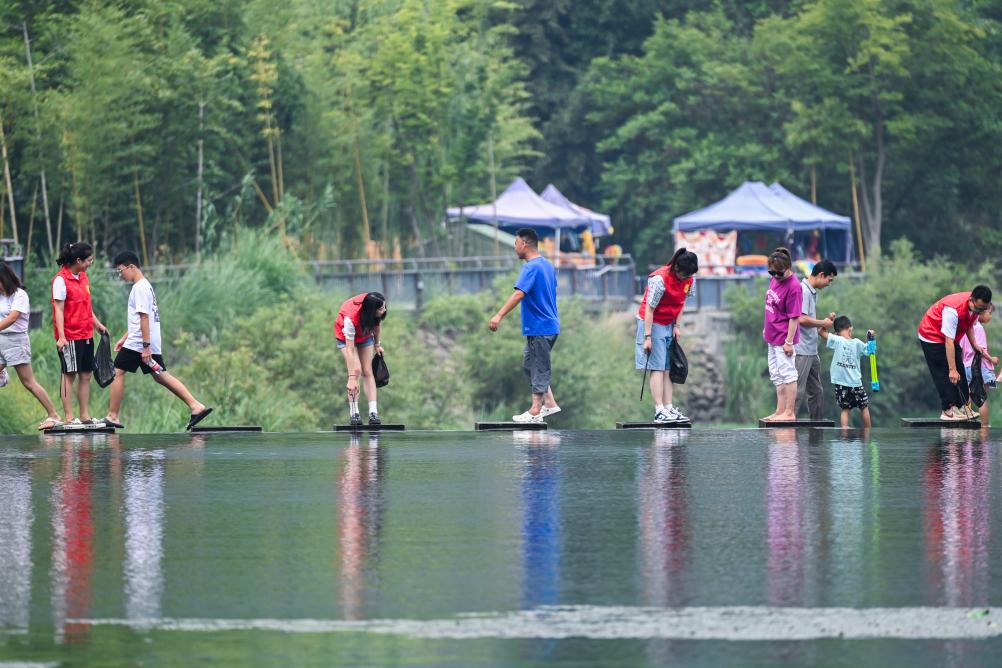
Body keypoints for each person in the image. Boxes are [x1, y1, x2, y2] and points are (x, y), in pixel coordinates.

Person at [103, 251, 212, 430]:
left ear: (132, 267)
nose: (120, 275)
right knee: (160, 375)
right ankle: (195, 405)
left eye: (120, 270)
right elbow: (139, 320)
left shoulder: (139, 288)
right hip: (143, 340)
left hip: (140, 343)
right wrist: (124, 338)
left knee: (118, 371)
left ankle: (113, 416)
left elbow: (144, 318)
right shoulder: (145, 286)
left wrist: (145, 347)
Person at [489, 228, 561, 423]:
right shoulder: (547, 265)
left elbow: (519, 293)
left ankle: (536, 410)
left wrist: (498, 315)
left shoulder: (531, 267)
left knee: (539, 366)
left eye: (515, 244)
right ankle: (550, 404)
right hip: (545, 325)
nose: (515, 248)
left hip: (541, 326)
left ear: (524, 244)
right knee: (529, 365)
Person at [635, 247, 698, 423]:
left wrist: (677, 325)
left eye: (689, 276)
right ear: (676, 269)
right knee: (657, 367)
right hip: (652, 322)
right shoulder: (659, 279)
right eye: (684, 275)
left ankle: (669, 408)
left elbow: (682, 301)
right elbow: (649, 308)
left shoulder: (689, 279)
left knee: (668, 367)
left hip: (669, 323)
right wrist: (647, 337)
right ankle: (659, 410)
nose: (687, 279)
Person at [51, 242, 109, 425]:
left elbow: (86, 306)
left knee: (86, 375)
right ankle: (69, 417)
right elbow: (58, 310)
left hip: (86, 334)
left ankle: (84, 416)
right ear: (78, 260)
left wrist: (97, 324)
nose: (91, 263)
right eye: (89, 260)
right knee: (69, 375)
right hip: (70, 336)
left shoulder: (83, 277)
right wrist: (61, 337)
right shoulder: (61, 280)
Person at [0, 262, 63, 430]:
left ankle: (54, 415)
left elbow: (12, 318)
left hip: (15, 341)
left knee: (28, 382)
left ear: (4, 279)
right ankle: (2, 375)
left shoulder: (20, 295)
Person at [917, 286, 992, 421]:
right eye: (978, 308)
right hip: (931, 335)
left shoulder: (975, 308)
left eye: (983, 309)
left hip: (949, 338)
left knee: (960, 368)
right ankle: (947, 409)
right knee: (945, 372)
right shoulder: (953, 310)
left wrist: (975, 345)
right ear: (971, 300)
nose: (980, 312)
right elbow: (949, 341)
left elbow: (968, 325)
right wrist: (952, 369)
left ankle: (961, 406)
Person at [334, 292, 387, 426]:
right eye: (381, 309)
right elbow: (350, 349)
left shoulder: (375, 309)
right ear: (371, 310)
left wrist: (377, 345)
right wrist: (352, 377)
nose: (384, 310)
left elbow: (376, 326)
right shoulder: (350, 319)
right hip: (345, 337)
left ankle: (373, 413)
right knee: (356, 371)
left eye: (384, 307)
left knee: (367, 371)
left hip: (364, 334)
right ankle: (354, 413)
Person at [761, 247, 802, 422]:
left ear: (788, 267)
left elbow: (794, 318)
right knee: (776, 375)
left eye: (779, 273)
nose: (775, 276)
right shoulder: (774, 279)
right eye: (772, 272)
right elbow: (771, 306)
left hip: (784, 338)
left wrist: (789, 342)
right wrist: (767, 328)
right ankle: (780, 410)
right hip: (772, 335)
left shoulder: (794, 287)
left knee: (788, 374)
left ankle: (789, 412)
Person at [794, 260, 838, 420]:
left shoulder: (811, 292)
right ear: (821, 275)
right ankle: (787, 425)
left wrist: (824, 322)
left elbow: (809, 319)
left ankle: (816, 424)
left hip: (811, 350)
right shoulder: (804, 291)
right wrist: (823, 322)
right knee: (797, 391)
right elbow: (800, 319)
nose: (829, 284)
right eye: (829, 279)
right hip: (802, 350)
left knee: (817, 391)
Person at [819, 316, 873, 428]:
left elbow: (821, 331)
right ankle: (868, 432)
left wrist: (828, 319)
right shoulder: (857, 343)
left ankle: (844, 433)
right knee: (864, 407)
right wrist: (871, 338)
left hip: (841, 384)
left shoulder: (837, 339)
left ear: (837, 332)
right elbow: (870, 351)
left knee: (845, 409)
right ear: (850, 329)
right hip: (855, 383)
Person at [959, 303, 999, 424]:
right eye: (989, 313)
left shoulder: (965, 328)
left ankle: (967, 424)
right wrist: (992, 359)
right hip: (979, 367)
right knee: (982, 399)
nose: (990, 317)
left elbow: (960, 349)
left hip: (966, 367)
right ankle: (985, 428)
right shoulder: (979, 328)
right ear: (981, 312)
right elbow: (980, 350)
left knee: (968, 398)